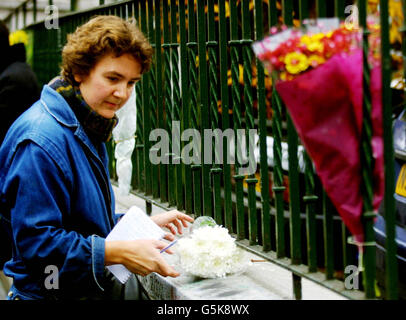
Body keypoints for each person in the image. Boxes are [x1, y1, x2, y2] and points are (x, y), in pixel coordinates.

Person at [0, 15, 193, 300]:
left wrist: (140, 225)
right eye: (113, 78)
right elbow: (37, 245)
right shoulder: (40, 140)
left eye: (131, 82)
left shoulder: (86, 121)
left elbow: (77, 222)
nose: (123, 93)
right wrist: (118, 251)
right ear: (80, 71)